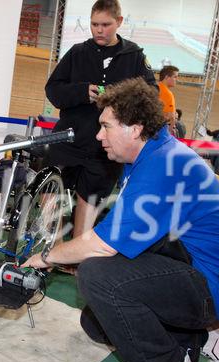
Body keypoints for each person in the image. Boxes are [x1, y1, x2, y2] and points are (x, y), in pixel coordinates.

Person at [25, 77, 219, 362]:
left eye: (106, 126)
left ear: (135, 128)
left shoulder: (163, 164)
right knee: (96, 323)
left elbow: (101, 246)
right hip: (191, 269)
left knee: (96, 274)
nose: (99, 135)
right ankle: (199, 334)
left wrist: (45, 257)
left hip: (212, 285)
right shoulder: (150, 155)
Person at [44, 0, 156, 241]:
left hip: (107, 149)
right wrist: (82, 92)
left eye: (105, 24)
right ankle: (52, 248)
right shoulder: (77, 52)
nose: (99, 30)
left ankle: (75, 255)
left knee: (90, 200)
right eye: (94, 24)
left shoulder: (134, 55)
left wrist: (117, 98)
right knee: (51, 193)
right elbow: (53, 90)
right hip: (68, 140)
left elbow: (151, 94)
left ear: (119, 22)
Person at [158, 65, 179, 132]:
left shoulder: (154, 87)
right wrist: (170, 131)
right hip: (161, 129)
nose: (177, 80)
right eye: (175, 77)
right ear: (167, 77)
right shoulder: (168, 94)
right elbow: (172, 117)